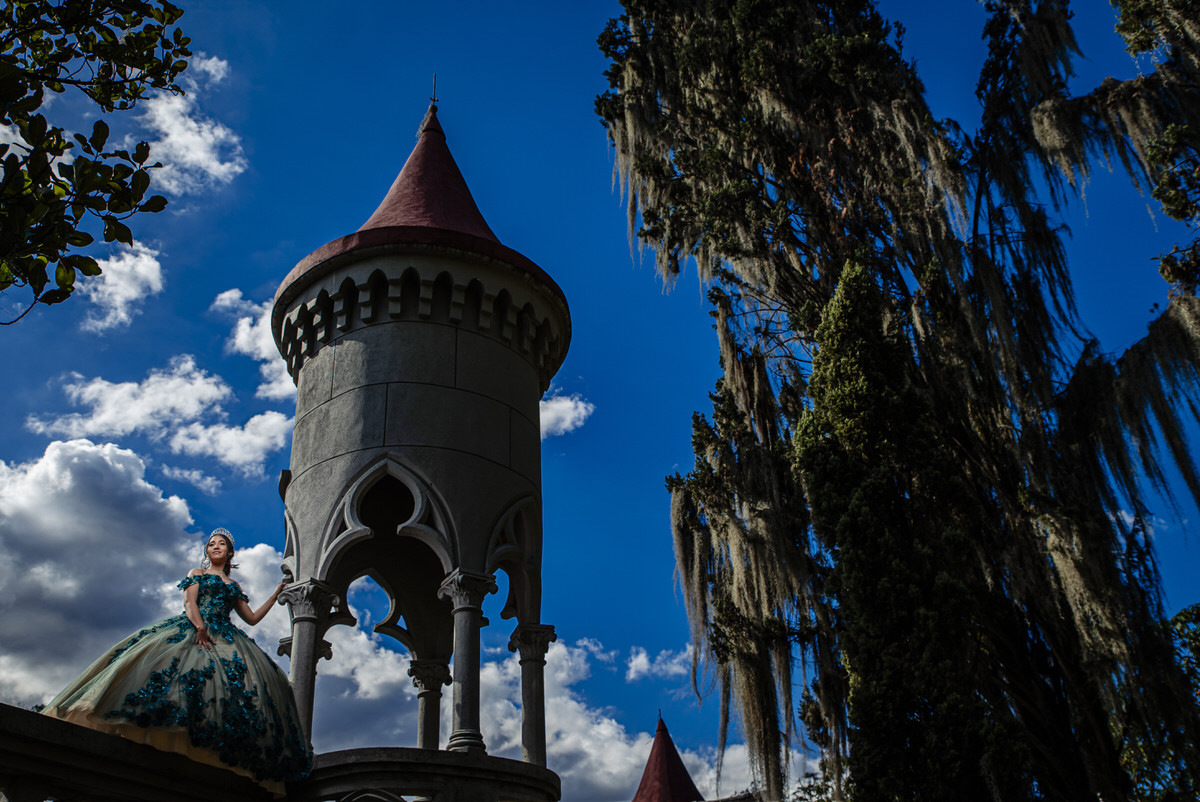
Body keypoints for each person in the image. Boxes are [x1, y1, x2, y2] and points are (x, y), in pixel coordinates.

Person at [42, 528, 312, 790]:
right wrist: (200, 627)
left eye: (220, 544)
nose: (215, 547)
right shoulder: (197, 573)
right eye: (211, 544)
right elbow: (189, 603)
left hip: (227, 636)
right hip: (195, 629)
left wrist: (276, 594)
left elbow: (251, 618)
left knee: (236, 690)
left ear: (230, 552)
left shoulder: (234, 585)